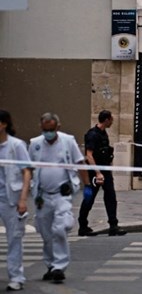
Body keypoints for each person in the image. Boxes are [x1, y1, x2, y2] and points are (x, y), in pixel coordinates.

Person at [28, 113, 91, 284]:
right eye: (45, 130)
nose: (48, 133)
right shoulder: (35, 144)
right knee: (46, 232)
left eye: (51, 129)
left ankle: (59, 266)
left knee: (60, 229)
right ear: (41, 128)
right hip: (42, 195)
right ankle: (50, 265)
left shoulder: (67, 141)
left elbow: (79, 163)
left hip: (62, 194)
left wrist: (87, 186)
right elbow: (29, 169)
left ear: (58, 127)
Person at [77, 110, 126, 237]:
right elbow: (89, 155)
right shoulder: (92, 134)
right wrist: (97, 173)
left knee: (110, 197)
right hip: (95, 171)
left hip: (105, 170)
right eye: (111, 120)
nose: (112, 122)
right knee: (89, 198)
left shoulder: (104, 133)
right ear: (106, 120)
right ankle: (82, 225)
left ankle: (113, 225)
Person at [0, 110, 32, 291]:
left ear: (3, 124)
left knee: (14, 238)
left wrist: (23, 199)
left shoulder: (16, 146)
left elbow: (26, 171)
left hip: (10, 198)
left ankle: (16, 276)